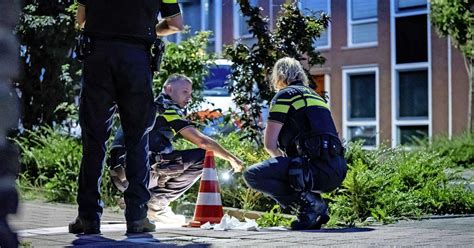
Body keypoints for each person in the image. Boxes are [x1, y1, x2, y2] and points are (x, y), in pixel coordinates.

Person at [70, 0, 183, 234]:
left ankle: (88, 217)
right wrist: (151, 29)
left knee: (94, 139)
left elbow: (81, 20)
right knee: (138, 138)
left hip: (98, 59)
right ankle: (137, 217)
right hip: (136, 61)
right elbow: (175, 23)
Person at [108, 74, 244, 224]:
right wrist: (233, 159)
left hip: (122, 175)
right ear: (169, 89)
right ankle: (156, 205)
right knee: (203, 158)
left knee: (167, 153)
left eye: (190, 93)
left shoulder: (151, 107)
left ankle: (140, 200)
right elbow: (201, 141)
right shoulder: (167, 110)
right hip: (136, 173)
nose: (189, 98)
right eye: (185, 92)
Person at [243, 57, 347, 230]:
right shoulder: (317, 97)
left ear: (279, 76)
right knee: (293, 168)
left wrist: (283, 165)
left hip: (310, 171)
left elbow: (269, 144)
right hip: (336, 170)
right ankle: (311, 206)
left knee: (253, 175)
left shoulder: (284, 96)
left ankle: (310, 204)